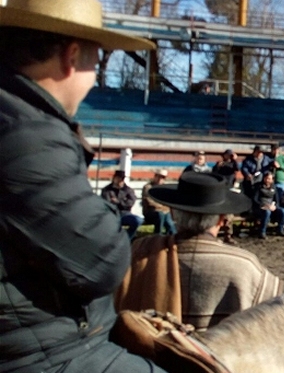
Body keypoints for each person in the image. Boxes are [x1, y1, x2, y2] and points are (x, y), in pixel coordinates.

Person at [0, 1, 166, 371]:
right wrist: (109, 213)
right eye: (96, 62)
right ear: (72, 56)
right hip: (44, 353)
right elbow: (103, 262)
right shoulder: (28, 134)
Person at [144, 172, 284, 329]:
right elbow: (274, 314)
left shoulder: (141, 254)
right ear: (221, 219)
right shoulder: (246, 266)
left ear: (172, 213)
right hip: (221, 350)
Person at [101, 170, 143, 240]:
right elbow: (106, 203)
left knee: (138, 220)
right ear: (114, 178)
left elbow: (131, 202)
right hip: (111, 214)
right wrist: (123, 202)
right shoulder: (106, 190)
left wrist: (118, 202)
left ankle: (127, 239)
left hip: (125, 213)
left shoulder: (128, 190)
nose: (120, 180)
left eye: (122, 179)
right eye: (118, 178)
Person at [253, 172, 284, 239]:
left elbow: (276, 199)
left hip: (271, 205)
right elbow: (255, 199)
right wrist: (263, 205)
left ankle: (280, 230)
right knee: (267, 212)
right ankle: (262, 232)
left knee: (282, 211)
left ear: (272, 180)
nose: (267, 180)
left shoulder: (273, 187)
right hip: (261, 206)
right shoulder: (258, 186)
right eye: (266, 178)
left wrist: (274, 205)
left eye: (269, 179)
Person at [142, 169, 177, 235]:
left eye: (163, 178)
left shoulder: (164, 188)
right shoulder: (148, 187)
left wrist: (165, 208)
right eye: (159, 177)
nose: (160, 179)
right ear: (155, 176)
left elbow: (168, 201)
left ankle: (173, 238)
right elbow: (150, 202)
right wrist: (163, 207)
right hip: (151, 212)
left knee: (170, 224)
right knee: (161, 215)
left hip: (164, 212)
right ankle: (158, 235)